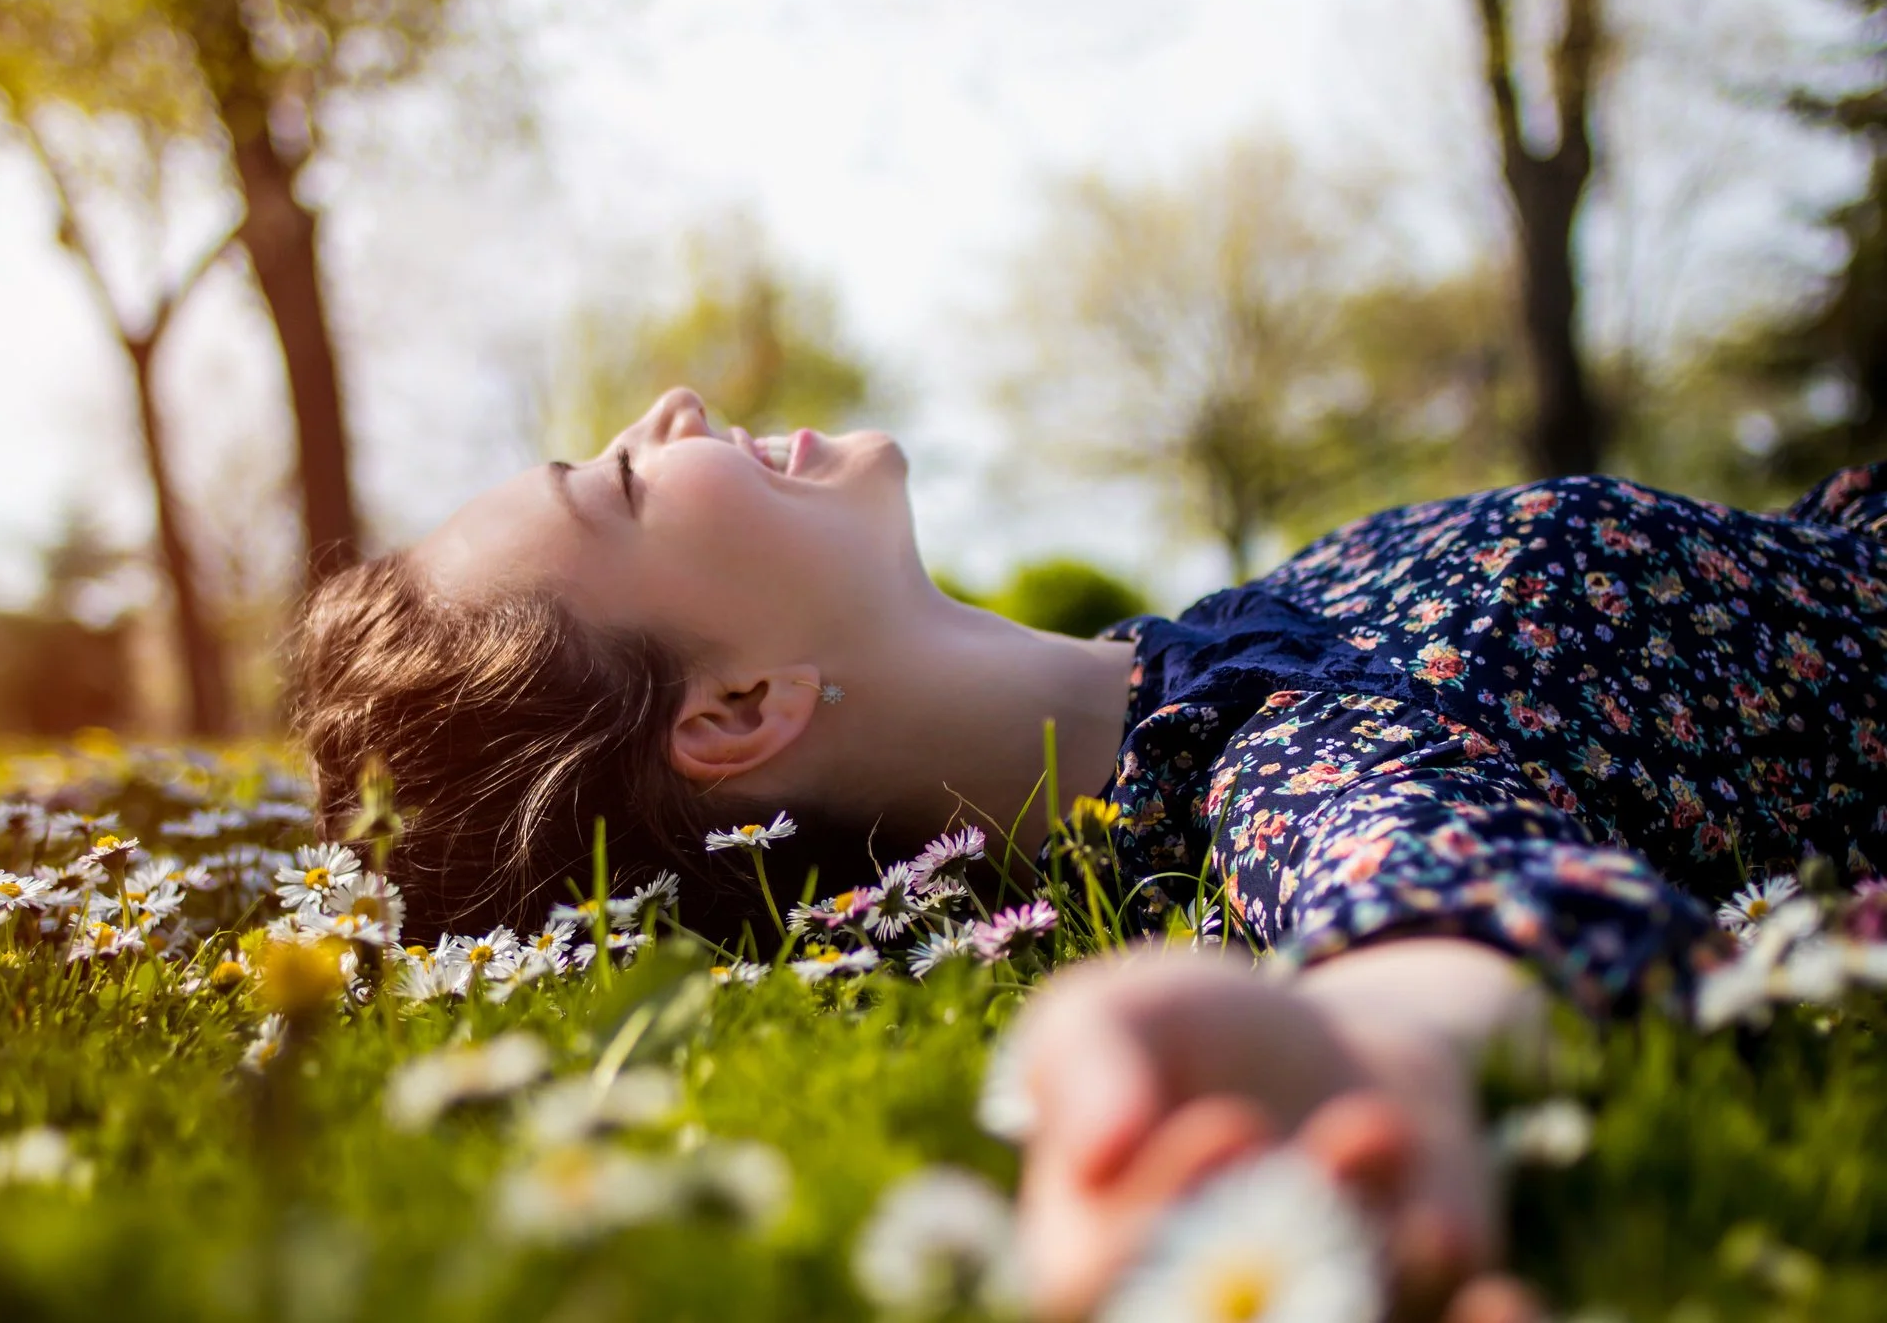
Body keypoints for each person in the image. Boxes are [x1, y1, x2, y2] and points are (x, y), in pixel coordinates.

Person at [292, 387, 1887, 1318]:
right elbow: (1430, 908)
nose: (676, 409)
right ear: (734, 713)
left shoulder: (1223, 647)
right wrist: (1360, 1066)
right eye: (627, 480)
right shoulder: (1271, 765)